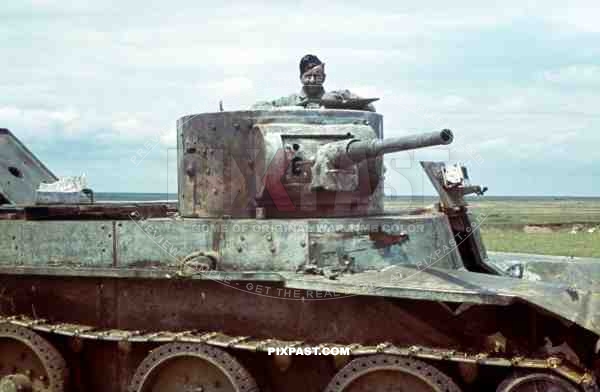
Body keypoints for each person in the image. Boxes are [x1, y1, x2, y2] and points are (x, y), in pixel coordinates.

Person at [252, 54, 377, 111]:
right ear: (301, 78)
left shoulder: (336, 97)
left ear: (324, 77)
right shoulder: (291, 101)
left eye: (317, 76)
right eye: (308, 76)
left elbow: (370, 108)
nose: (312, 80)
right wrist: (294, 110)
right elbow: (257, 107)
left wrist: (342, 102)